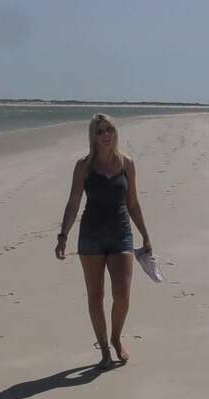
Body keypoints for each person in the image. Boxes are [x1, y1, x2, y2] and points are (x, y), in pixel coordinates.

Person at [55, 114, 152, 369]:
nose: (106, 134)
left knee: (122, 296)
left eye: (109, 129)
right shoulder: (83, 166)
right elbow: (73, 203)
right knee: (95, 296)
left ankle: (116, 338)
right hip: (91, 237)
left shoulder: (126, 163)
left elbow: (133, 203)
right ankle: (105, 350)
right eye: (100, 131)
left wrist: (145, 234)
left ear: (115, 132)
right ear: (93, 137)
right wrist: (63, 235)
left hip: (121, 234)